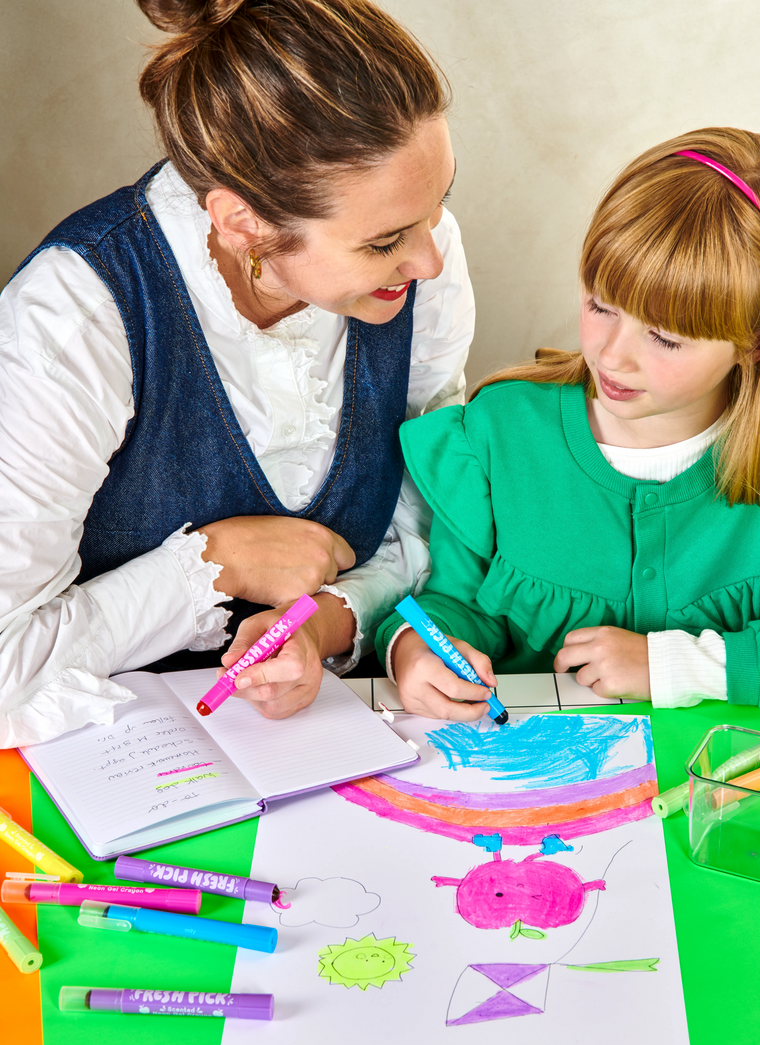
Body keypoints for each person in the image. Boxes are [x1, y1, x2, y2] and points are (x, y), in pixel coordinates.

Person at [0, 0, 473, 747]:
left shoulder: (418, 260)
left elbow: (429, 515)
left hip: (322, 741)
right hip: (104, 761)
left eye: (438, 206)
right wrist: (214, 566)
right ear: (242, 222)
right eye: (385, 242)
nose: (429, 261)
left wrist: (332, 618)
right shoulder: (73, 320)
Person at [377, 127, 760, 718]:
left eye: (665, 338)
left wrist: (675, 665)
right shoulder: (500, 434)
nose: (611, 355)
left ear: (756, 343)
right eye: (601, 305)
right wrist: (413, 650)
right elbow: (455, 605)